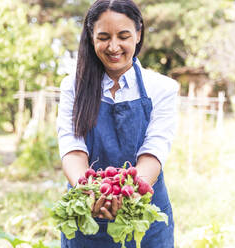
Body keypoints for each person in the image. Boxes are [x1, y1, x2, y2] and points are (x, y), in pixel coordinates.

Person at [57, 0, 179, 247]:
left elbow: (153, 152)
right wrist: (88, 191)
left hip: (142, 211)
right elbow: (72, 148)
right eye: (103, 37)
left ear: (138, 34)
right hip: (87, 212)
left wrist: (129, 193)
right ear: (91, 37)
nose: (113, 46)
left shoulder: (162, 88)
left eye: (123, 36)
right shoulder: (73, 86)